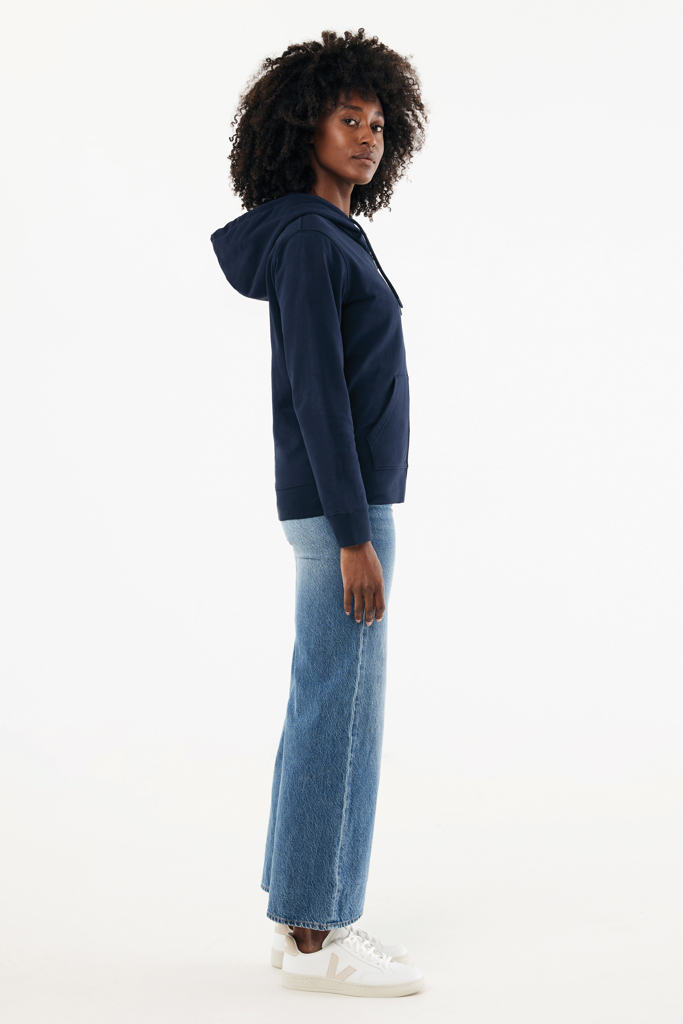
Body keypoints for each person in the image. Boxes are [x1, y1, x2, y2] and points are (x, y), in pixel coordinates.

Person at [210, 27, 428, 998]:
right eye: (349, 119)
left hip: (347, 504)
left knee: (327, 700)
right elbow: (317, 390)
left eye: (378, 123)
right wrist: (352, 534)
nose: (367, 136)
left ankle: (302, 915)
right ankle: (316, 938)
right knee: (340, 712)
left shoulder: (331, 234)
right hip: (344, 511)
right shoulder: (305, 237)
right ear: (304, 127)